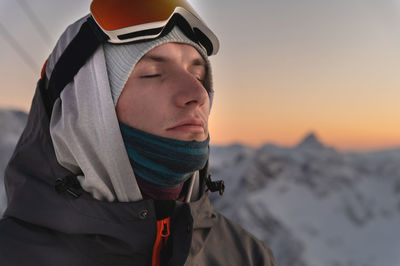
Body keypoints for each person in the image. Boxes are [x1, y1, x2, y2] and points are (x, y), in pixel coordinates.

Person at [0, 0, 276, 265]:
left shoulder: (248, 256)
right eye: (153, 73)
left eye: (199, 75)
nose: (198, 94)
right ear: (83, 109)